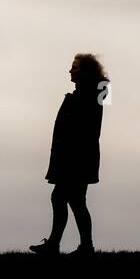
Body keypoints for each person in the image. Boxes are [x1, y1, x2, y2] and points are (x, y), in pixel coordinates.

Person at [30, 54, 108, 257]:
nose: (70, 71)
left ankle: (60, 245)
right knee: (75, 201)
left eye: (74, 67)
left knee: (62, 198)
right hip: (75, 157)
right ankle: (82, 247)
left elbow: (85, 129)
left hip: (76, 158)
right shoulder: (87, 94)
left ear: (85, 71)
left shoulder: (89, 96)